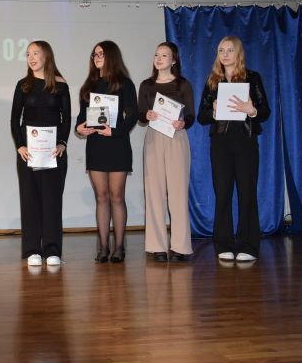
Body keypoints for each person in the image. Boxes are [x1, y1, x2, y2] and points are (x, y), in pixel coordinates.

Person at [197, 36, 270, 262]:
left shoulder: (252, 77)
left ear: (238, 53)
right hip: (221, 143)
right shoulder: (212, 81)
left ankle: (249, 245)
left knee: (247, 193)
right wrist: (213, 111)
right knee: (222, 194)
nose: (225, 54)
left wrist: (251, 110)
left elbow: (265, 111)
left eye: (229, 50)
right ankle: (224, 244)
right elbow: (201, 116)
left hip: (246, 141)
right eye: (221, 50)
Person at [10, 41, 70, 268]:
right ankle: (33, 250)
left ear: (47, 56)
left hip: (54, 152)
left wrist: (62, 143)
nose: (31, 58)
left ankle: (52, 250)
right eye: (28, 54)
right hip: (28, 152)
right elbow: (14, 118)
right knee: (30, 199)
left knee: (52, 200)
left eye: (36, 53)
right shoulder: (23, 85)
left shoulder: (60, 84)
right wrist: (20, 145)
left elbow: (66, 118)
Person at [76, 40, 137, 263]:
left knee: (116, 196)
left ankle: (119, 247)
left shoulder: (125, 84)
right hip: (96, 146)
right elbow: (82, 117)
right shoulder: (89, 85)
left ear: (112, 56)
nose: (96, 57)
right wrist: (79, 128)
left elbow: (132, 115)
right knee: (101, 197)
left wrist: (115, 131)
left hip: (117, 144)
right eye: (94, 54)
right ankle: (103, 248)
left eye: (101, 53)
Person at [137, 42, 195, 263]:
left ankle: (180, 246)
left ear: (174, 60)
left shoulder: (183, 84)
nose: (159, 59)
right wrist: (146, 115)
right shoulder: (146, 85)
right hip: (154, 138)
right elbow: (140, 115)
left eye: (164, 55)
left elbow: (191, 114)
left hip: (176, 137)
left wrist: (183, 123)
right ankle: (157, 246)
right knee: (154, 192)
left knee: (178, 193)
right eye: (156, 55)